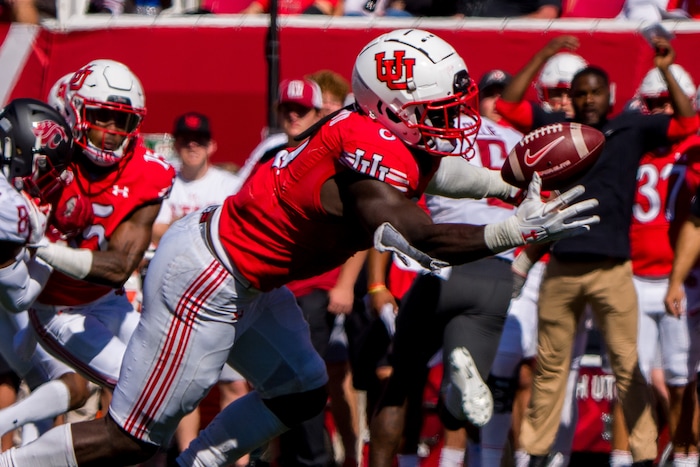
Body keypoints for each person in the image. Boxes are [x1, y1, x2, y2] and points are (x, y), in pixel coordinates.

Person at [0, 28, 598, 467]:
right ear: (389, 107)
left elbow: (435, 173)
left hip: (249, 277)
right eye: (436, 112)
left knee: (303, 390)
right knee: (132, 437)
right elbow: (419, 234)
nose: (452, 123)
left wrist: (504, 183)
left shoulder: (375, 132)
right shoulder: (367, 158)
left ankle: (198, 465)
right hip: (210, 277)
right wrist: (518, 230)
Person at [495, 34, 699, 466]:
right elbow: (509, 107)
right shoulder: (560, 130)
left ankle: (642, 454)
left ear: (611, 96)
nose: (587, 100)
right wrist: (544, 54)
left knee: (628, 367)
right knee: (550, 368)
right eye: (580, 93)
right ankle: (536, 453)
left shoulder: (629, 128)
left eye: (595, 92)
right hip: (563, 265)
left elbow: (685, 123)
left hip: (613, 267)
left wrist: (664, 67)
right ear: (571, 96)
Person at [0, 59, 174, 444]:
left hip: (107, 298)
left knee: (169, 383)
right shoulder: (47, 153)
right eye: (100, 116)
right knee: (135, 391)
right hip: (52, 304)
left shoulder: (150, 172)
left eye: (122, 122)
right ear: (75, 111)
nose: (111, 132)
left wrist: (44, 248)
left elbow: (120, 266)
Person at [367, 67, 524, 467]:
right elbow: (543, 219)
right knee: (469, 392)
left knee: (400, 379)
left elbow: (387, 207)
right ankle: (455, 399)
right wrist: (522, 266)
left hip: (446, 263)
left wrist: (376, 282)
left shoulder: (435, 137)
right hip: (498, 270)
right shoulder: (520, 143)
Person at [480, 52, 590, 467]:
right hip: (521, 262)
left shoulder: (599, 136)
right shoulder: (518, 137)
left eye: (570, 92)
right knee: (502, 370)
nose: (562, 101)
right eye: (556, 91)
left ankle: (551, 461)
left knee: (562, 375)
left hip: (570, 268)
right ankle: (492, 460)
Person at [151, 111, 250, 462]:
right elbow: (153, 230)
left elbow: (241, 227)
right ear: (175, 144)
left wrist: (182, 225)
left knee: (235, 384)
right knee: (185, 388)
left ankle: (238, 460)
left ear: (212, 144)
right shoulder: (164, 181)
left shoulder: (227, 184)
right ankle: (187, 458)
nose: (192, 147)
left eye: (199, 140)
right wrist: (204, 224)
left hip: (223, 294)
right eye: (184, 140)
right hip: (175, 297)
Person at [626, 64, 700, 467]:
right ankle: (629, 458)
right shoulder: (631, 145)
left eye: (667, 102)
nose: (660, 111)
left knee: (682, 379)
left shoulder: (691, 147)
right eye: (652, 103)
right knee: (631, 379)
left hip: (683, 278)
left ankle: (687, 458)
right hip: (635, 276)